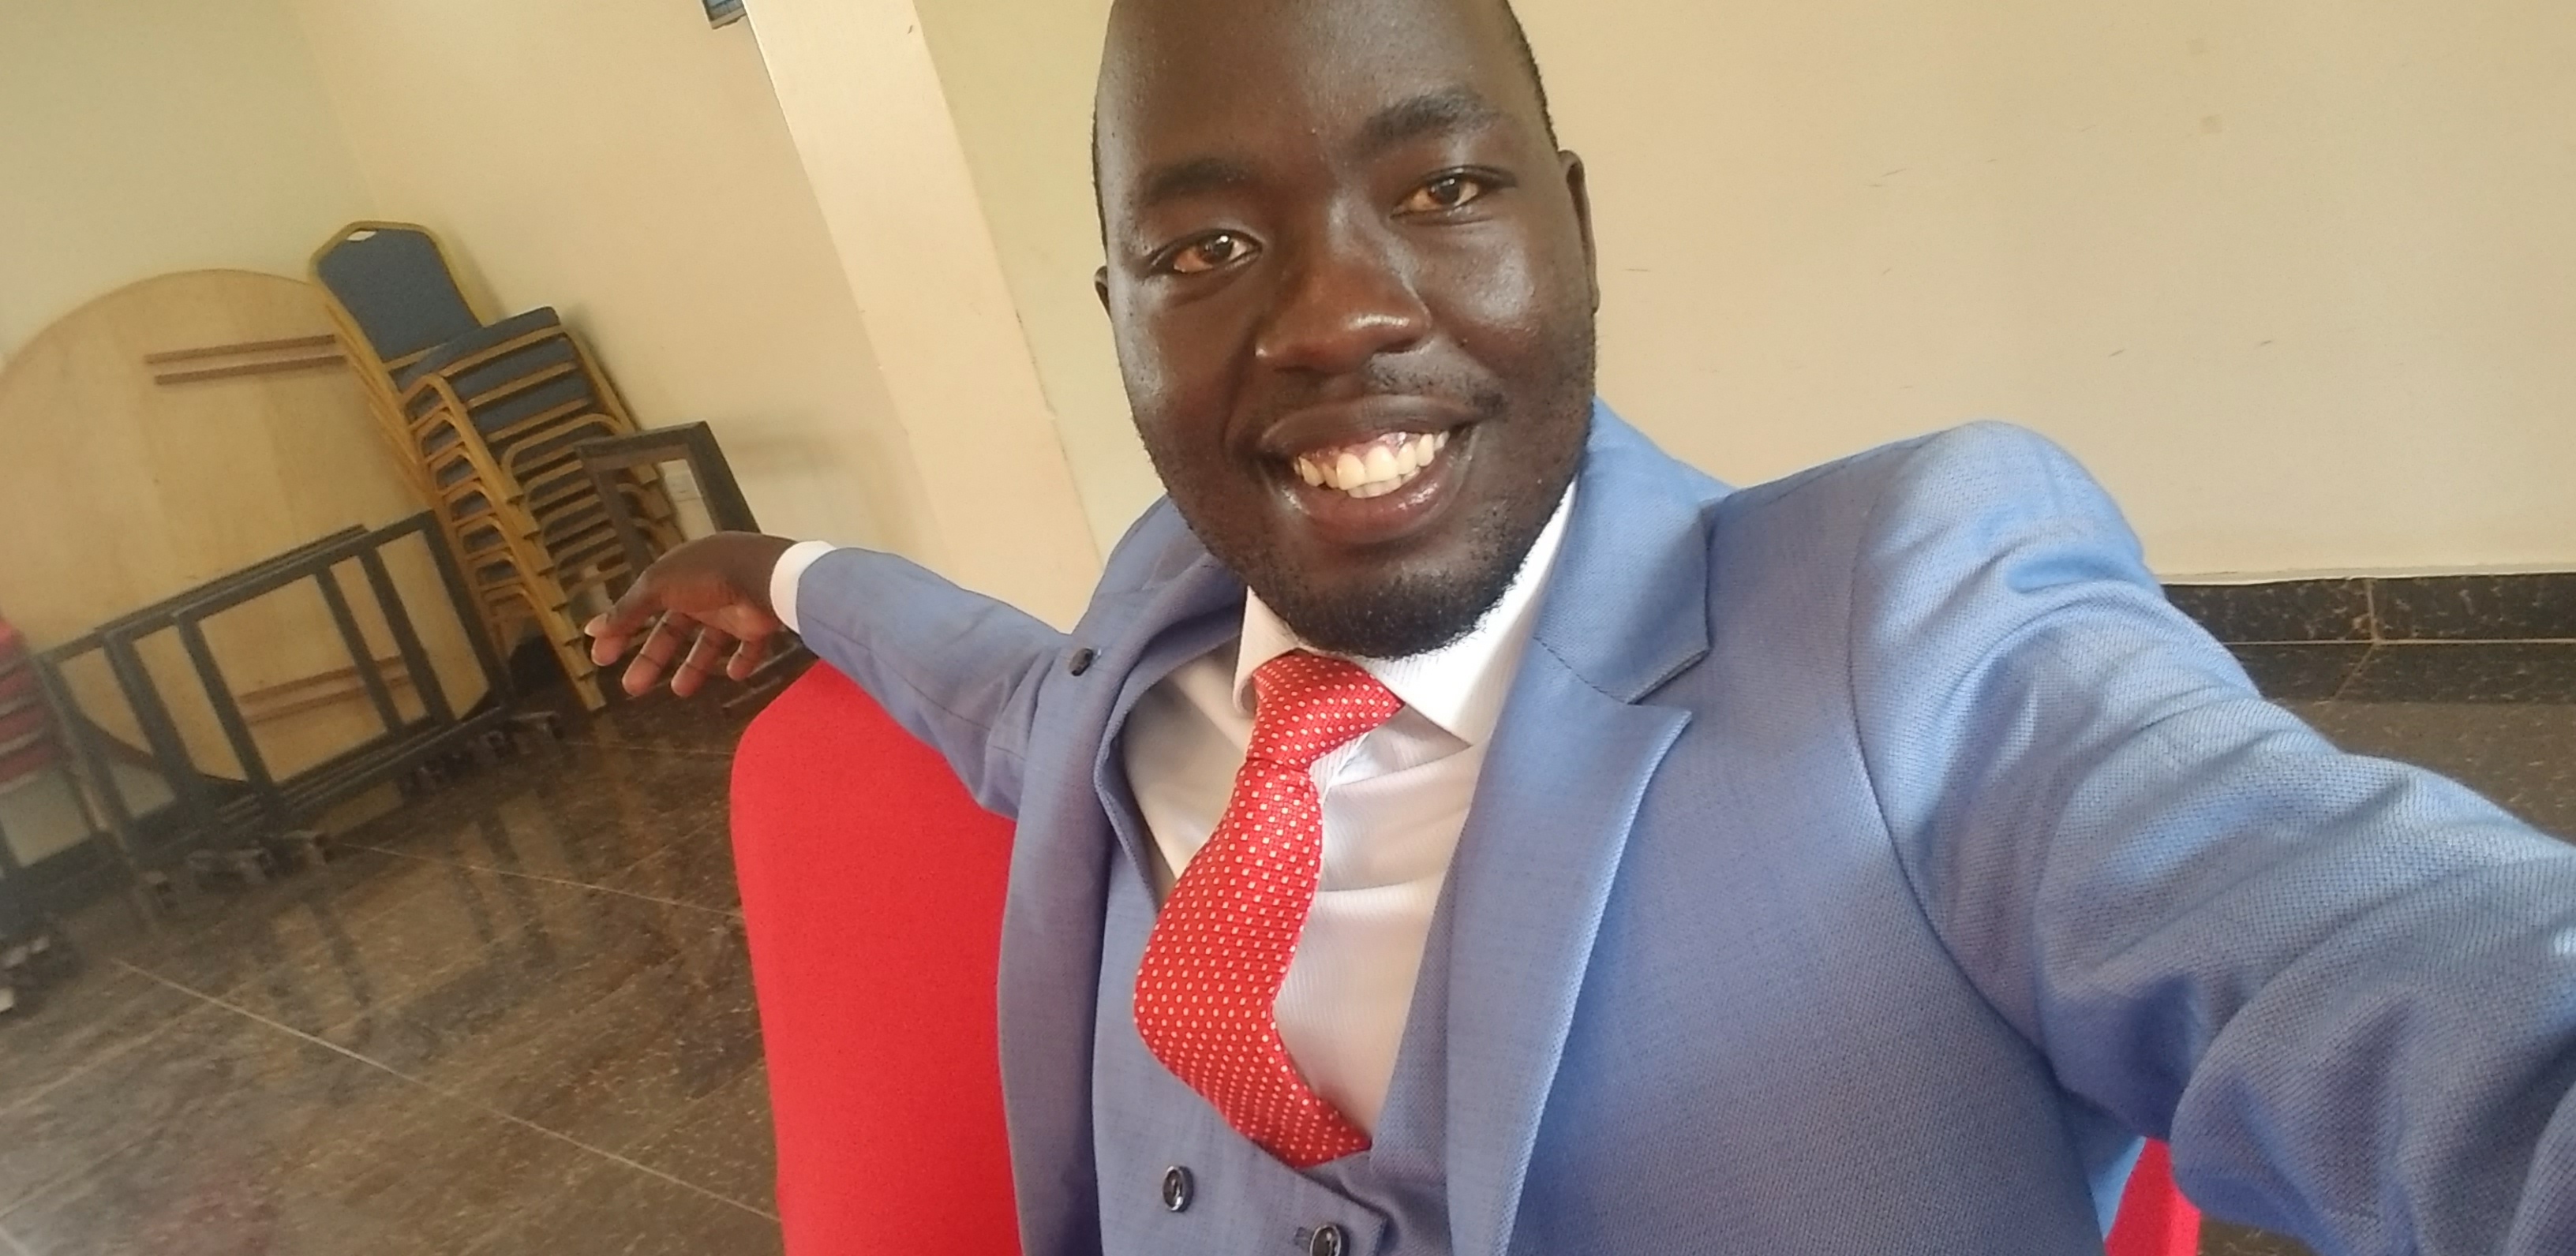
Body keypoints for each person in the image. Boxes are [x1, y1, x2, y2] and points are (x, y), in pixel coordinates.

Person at [587, 0, 2576, 1250]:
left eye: (1445, 186)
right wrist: (784, 570)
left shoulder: (1922, 623)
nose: (1339, 312)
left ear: (1576, 226)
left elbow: (2404, 972)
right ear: (1118, 323)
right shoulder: (1148, 641)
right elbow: (1002, 695)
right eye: (1206, 247)